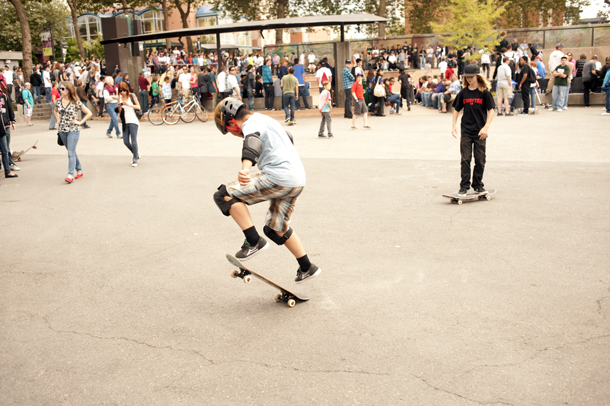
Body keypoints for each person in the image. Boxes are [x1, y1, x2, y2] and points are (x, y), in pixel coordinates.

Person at [212, 98, 321, 283]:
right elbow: (288, 137)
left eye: (230, 132)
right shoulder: (265, 119)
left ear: (231, 122)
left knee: (224, 195)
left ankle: (253, 241)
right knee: (275, 229)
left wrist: (246, 168)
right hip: (297, 180)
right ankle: (306, 267)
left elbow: (252, 142)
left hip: (279, 178)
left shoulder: (250, 124)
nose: (234, 135)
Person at [452, 64, 495, 196]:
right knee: (465, 159)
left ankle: (477, 185)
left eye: (471, 76)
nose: (469, 79)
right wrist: (454, 125)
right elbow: (456, 109)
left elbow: (491, 110)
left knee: (480, 159)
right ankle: (464, 186)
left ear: (477, 76)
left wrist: (486, 126)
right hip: (466, 130)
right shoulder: (463, 93)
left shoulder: (484, 93)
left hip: (480, 131)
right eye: (467, 77)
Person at [54, 81, 92, 183]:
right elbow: (55, 110)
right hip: (62, 130)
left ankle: (70, 174)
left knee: (70, 152)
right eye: (60, 89)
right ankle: (79, 170)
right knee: (71, 151)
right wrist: (57, 118)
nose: (60, 91)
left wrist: (80, 122)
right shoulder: (58, 101)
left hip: (73, 130)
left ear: (69, 90)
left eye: (62, 89)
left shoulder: (76, 102)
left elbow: (89, 113)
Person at [117, 82, 142, 167]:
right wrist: (119, 106)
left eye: (124, 90)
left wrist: (128, 104)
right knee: (126, 141)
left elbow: (138, 107)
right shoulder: (119, 98)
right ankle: (136, 153)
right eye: (120, 90)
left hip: (133, 120)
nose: (122, 92)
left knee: (133, 140)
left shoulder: (132, 95)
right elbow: (120, 112)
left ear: (127, 89)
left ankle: (135, 158)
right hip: (125, 121)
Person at [0, 86, 18, 179]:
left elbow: (9, 109)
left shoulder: (3, 96)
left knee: (5, 150)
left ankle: (8, 170)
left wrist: (12, 120)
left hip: (3, 127)